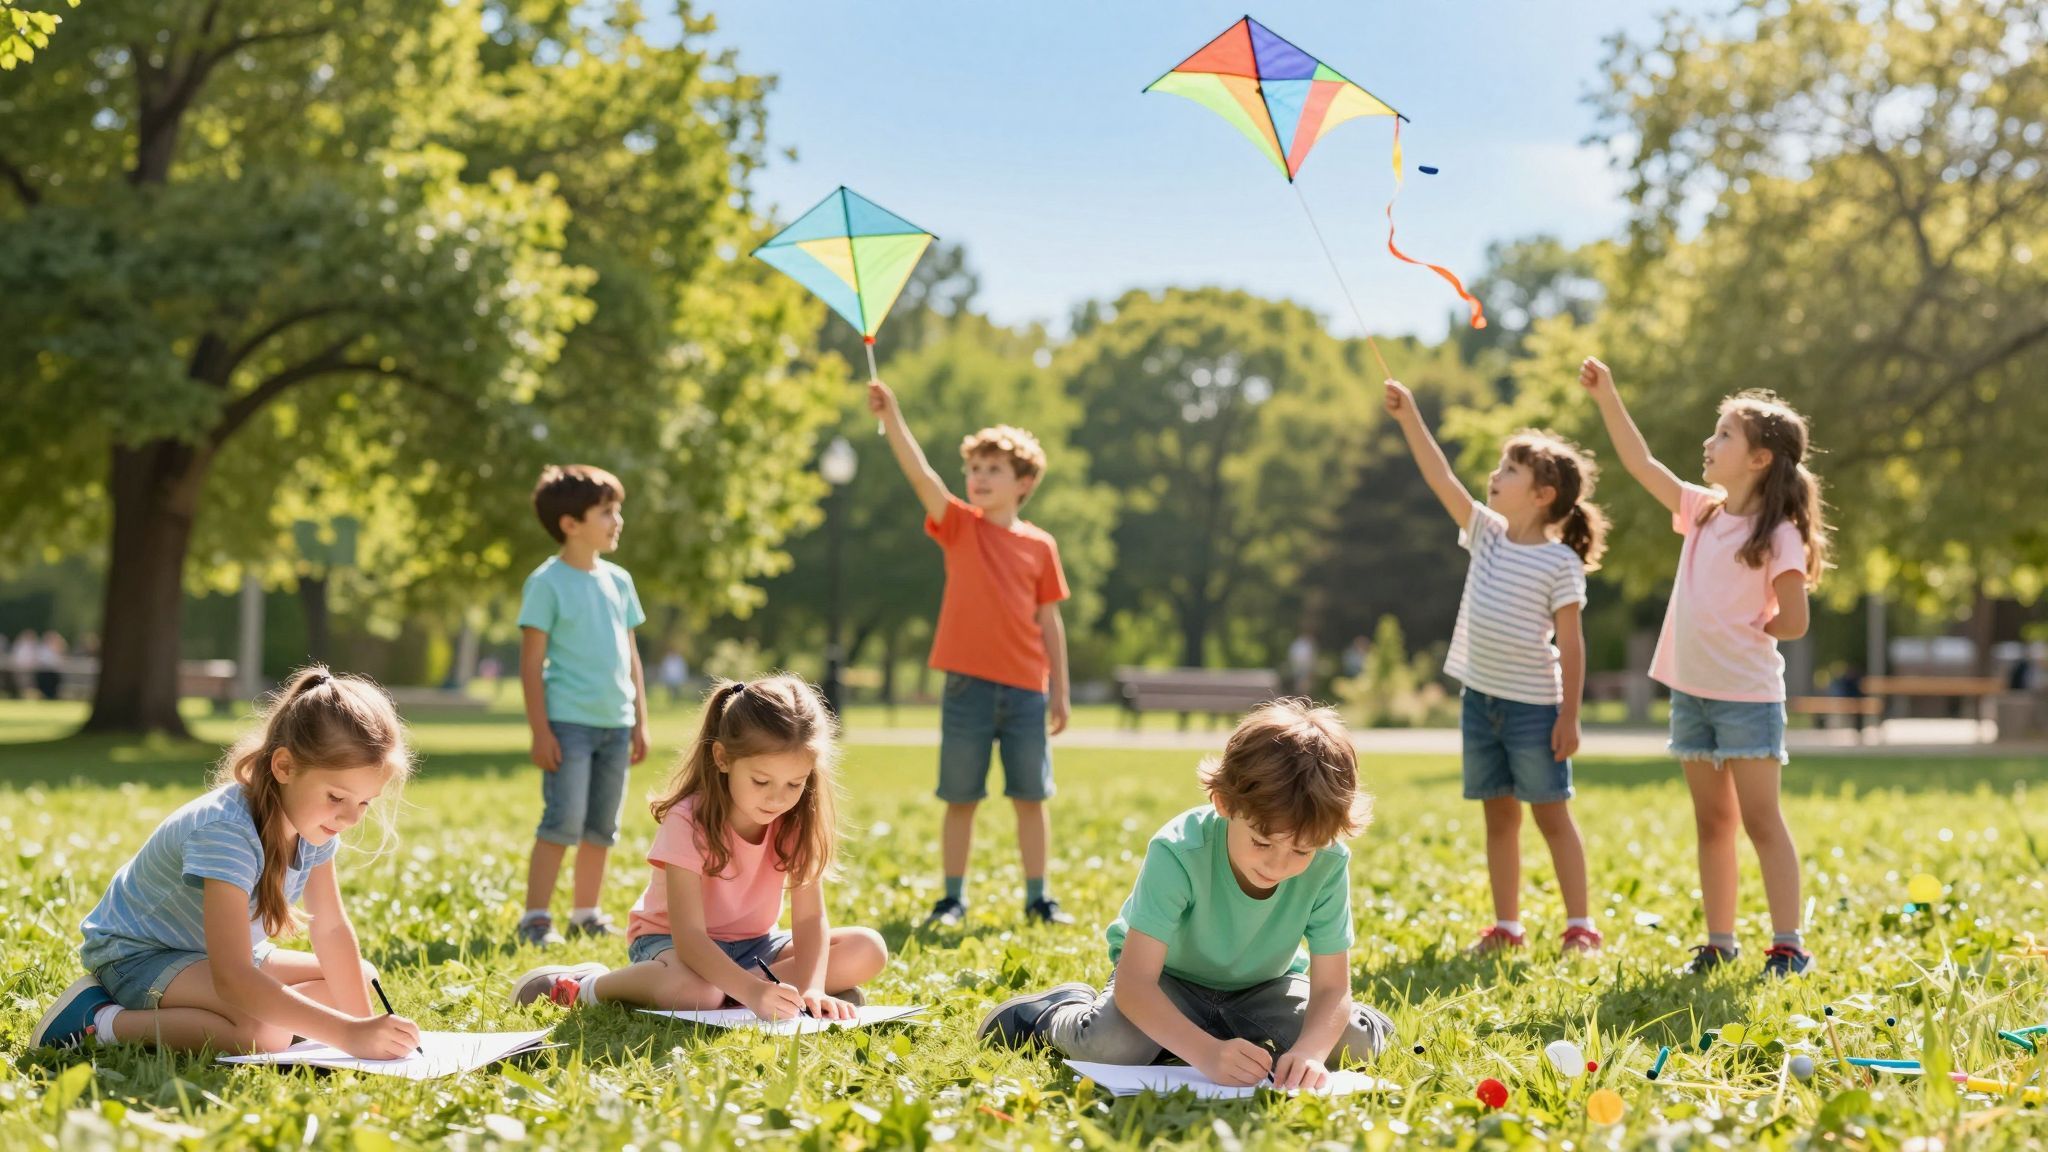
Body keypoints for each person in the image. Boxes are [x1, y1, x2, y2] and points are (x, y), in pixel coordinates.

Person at [976, 700, 1391, 1089]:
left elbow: (1331, 988)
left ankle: (1358, 1022)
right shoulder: (1178, 851)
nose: (1278, 865)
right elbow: (1136, 983)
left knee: (1350, 1045)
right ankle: (1053, 1012)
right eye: (1262, 842)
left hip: (1266, 987)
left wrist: (1310, 1053)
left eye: (1301, 851)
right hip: (1166, 983)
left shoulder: (1328, 861)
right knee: (1111, 1047)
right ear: (1224, 803)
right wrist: (1205, 1054)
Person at [1582, 357, 1829, 977]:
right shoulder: (1702, 511)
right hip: (1690, 694)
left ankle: (1789, 945)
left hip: (1747, 697)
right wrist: (1607, 395)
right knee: (1713, 822)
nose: (1708, 443)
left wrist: (1752, 629)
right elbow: (1642, 464)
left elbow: (1795, 621)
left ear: (1760, 459)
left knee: (1761, 821)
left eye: (1723, 435)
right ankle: (1720, 942)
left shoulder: (1780, 534)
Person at [30, 669, 420, 1056]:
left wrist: (363, 1028)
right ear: (284, 767)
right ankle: (98, 1022)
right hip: (140, 957)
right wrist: (348, 1033)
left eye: (364, 802)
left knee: (360, 977)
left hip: (208, 954)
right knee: (264, 1034)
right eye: (336, 797)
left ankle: (259, 1023)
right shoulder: (226, 832)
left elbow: (331, 929)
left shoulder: (313, 826)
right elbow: (233, 977)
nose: (350, 818)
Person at [510, 675, 887, 1017]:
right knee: (698, 993)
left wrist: (813, 986)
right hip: (672, 944)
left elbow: (808, 920)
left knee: (868, 948)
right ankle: (587, 986)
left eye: (794, 784)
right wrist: (752, 989)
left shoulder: (795, 820)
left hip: (755, 946)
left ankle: (762, 994)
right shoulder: (689, 820)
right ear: (723, 758)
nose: (777, 799)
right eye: (761, 781)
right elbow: (689, 938)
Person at [1384, 380, 1606, 954]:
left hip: (1535, 710)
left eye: (1511, 469)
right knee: (1499, 819)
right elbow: (1441, 478)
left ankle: (1580, 926)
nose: (1495, 475)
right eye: (1500, 466)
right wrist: (1410, 417)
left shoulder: (1560, 563)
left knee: (1552, 818)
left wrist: (1570, 716)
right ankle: (1507, 927)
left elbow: (1573, 645)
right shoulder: (1485, 533)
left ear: (1543, 494)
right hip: (1479, 702)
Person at [867, 381, 1074, 928]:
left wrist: (1061, 691)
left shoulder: (1040, 546)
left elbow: (1050, 621)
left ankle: (1039, 897)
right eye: (974, 469)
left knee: (1031, 797)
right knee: (961, 797)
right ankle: (952, 898)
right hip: (967, 687)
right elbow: (921, 475)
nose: (978, 478)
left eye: (993, 470)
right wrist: (892, 415)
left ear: (1023, 483)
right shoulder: (959, 525)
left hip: (1027, 691)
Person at [515, 465, 652, 948]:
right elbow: (531, 663)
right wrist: (541, 731)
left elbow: (631, 657)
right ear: (571, 524)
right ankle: (535, 918)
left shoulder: (620, 581)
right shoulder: (546, 583)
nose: (618, 521)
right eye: (607, 512)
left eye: (617, 510)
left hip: (616, 724)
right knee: (563, 822)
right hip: (568, 725)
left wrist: (640, 721)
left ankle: (586, 914)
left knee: (601, 827)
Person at [35, 630, 67, 700]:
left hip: (53, 671)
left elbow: (60, 661)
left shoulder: (58, 648)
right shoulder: (42, 648)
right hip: (44, 671)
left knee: (52, 687)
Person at [1287, 631, 1317, 697]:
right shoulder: (1298, 644)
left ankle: (1304, 699)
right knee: (1300, 686)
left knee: (1305, 686)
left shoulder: (1309, 644)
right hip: (1299, 669)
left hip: (1306, 669)